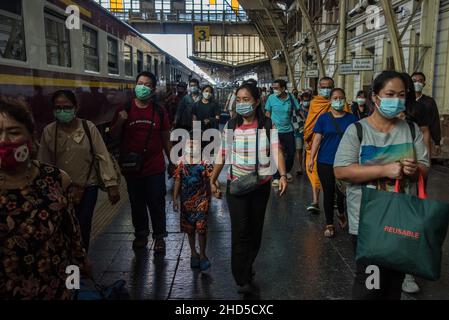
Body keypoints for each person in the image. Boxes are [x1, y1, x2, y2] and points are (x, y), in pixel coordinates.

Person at [334, 71, 430, 300]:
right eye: (389, 94)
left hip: (401, 219)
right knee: (371, 284)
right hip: (369, 223)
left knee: (393, 285)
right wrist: (384, 170)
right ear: (375, 97)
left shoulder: (410, 129)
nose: (396, 100)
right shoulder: (357, 130)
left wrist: (414, 169)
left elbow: (425, 168)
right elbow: (341, 170)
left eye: (401, 95)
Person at [0, 102, 89, 299]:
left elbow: (72, 238)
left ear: (32, 137)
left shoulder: (56, 179)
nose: (4, 141)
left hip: (54, 289)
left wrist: (73, 285)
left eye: (14, 132)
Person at [210, 83, 288, 295]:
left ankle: (248, 264)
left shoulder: (267, 124)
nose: (242, 103)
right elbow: (222, 153)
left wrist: (282, 175)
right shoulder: (232, 125)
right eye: (239, 99)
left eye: (246, 99)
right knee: (240, 231)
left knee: (255, 231)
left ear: (256, 101)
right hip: (236, 185)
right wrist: (213, 178)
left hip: (260, 185)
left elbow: (277, 151)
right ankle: (241, 277)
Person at [38, 90, 120, 251]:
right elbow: (43, 163)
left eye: (67, 107)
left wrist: (112, 185)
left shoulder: (88, 128)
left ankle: (81, 261)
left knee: (83, 225)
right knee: (63, 226)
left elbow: (102, 155)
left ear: (75, 108)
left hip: (88, 186)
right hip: (59, 190)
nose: (62, 111)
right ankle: (67, 263)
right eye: (58, 108)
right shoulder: (49, 131)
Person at [110, 71, 172, 252]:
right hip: (132, 167)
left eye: (146, 84)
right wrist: (120, 121)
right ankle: (141, 234)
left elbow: (165, 138)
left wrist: (172, 161)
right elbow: (113, 136)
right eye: (139, 83)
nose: (142, 87)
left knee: (156, 202)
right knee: (137, 203)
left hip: (155, 166)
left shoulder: (159, 111)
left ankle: (159, 237)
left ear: (152, 89)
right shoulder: (125, 108)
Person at [309, 88, 357, 237]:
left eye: (341, 98)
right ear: (330, 100)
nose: (338, 101)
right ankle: (329, 224)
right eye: (335, 98)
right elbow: (317, 138)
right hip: (325, 161)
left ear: (345, 100)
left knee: (342, 192)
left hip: (346, 162)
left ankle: (341, 212)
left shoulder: (352, 119)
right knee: (328, 192)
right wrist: (311, 158)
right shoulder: (323, 118)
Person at [173, 135, 218, 271]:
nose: (192, 145)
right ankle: (193, 254)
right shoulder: (180, 162)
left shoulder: (205, 162)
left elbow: (211, 178)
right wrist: (175, 199)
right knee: (190, 229)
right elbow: (177, 180)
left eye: (195, 143)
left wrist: (215, 190)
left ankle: (203, 256)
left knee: (201, 228)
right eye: (189, 143)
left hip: (202, 201)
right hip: (186, 202)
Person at [303, 77, 335, 213]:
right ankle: (315, 201)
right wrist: (306, 138)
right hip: (315, 141)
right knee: (314, 171)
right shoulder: (315, 103)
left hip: (333, 143)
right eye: (323, 86)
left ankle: (333, 199)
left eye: (328, 86)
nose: (325, 89)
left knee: (333, 173)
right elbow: (309, 123)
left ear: (333, 87)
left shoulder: (338, 102)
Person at [265, 79, 301, 185]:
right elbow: (267, 113)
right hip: (275, 131)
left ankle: (286, 171)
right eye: (273, 88)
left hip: (289, 130)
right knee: (275, 153)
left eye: (276, 88)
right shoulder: (271, 98)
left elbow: (297, 111)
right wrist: (267, 127)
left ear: (283, 88)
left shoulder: (291, 97)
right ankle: (276, 176)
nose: (274, 90)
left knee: (291, 153)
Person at [412, 72, 442, 156]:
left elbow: (435, 122)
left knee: (423, 163)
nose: (417, 83)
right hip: (406, 138)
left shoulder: (429, 102)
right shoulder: (406, 101)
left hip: (423, 138)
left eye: (420, 81)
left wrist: (437, 142)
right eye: (414, 81)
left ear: (424, 84)